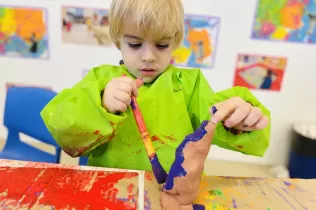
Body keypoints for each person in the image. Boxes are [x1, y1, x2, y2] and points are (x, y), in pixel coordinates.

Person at [40, 0, 270, 172]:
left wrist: (237, 120)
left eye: (161, 45)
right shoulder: (101, 79)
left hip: (173, 190)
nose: (148, 56)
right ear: (117, 39)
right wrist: (101, 103)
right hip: (112, 187)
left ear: (175, 41)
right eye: (135, 44)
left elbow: (214, 120)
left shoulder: (189, 85)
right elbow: (65, 128)